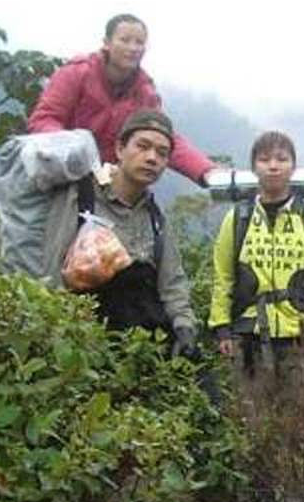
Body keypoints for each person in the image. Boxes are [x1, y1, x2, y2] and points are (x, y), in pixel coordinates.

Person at [42, 108, 199, 355]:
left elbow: (172, 282)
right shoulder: (81, 197)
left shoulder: (155, 218)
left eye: (162, 153)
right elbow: (51, 271)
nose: (152, 158)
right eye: (142, 146)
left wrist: (184, 327)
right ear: (119, 149)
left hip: (145, 344)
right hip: (87, 340)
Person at [209, 130, 304, 402]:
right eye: (264, 159)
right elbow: (223, 276)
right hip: (249, 332)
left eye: (282, 159)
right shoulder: (238, 218)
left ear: (293, 166)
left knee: (300, 416)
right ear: (254, 167)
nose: (273, 166)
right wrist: (221, 327)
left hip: (300, 334)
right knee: (252, 414)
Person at [29, 13, 216, 184]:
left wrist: (207, 171)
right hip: (60, 176)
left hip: (108, 185)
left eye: (139, 42)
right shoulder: (77, 73)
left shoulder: (144, 91)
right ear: (107, 43)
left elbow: (163, 137)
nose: (133, 48)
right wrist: (72, 149)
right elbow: (44, 119)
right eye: (125, 40)